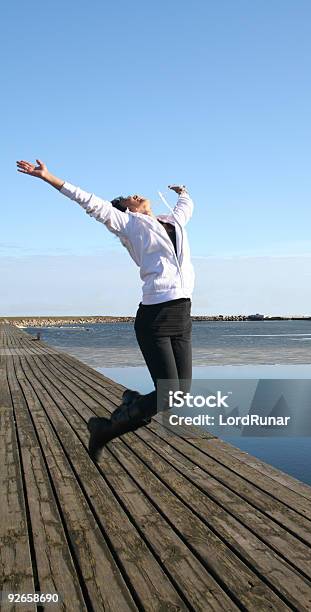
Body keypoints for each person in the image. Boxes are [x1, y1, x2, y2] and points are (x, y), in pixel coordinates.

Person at [17, 159, 195, 461]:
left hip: (182, 313)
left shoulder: (170, 221)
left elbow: (185, 208)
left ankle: (125, 408)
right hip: (155, 317)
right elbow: (88, 201)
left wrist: (183, 192)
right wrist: (49, 177)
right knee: (167, 394)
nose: (134, 196)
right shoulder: (128, 224)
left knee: (180, 394)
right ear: (125, 210)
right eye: (128, 198)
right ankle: (108, 426)